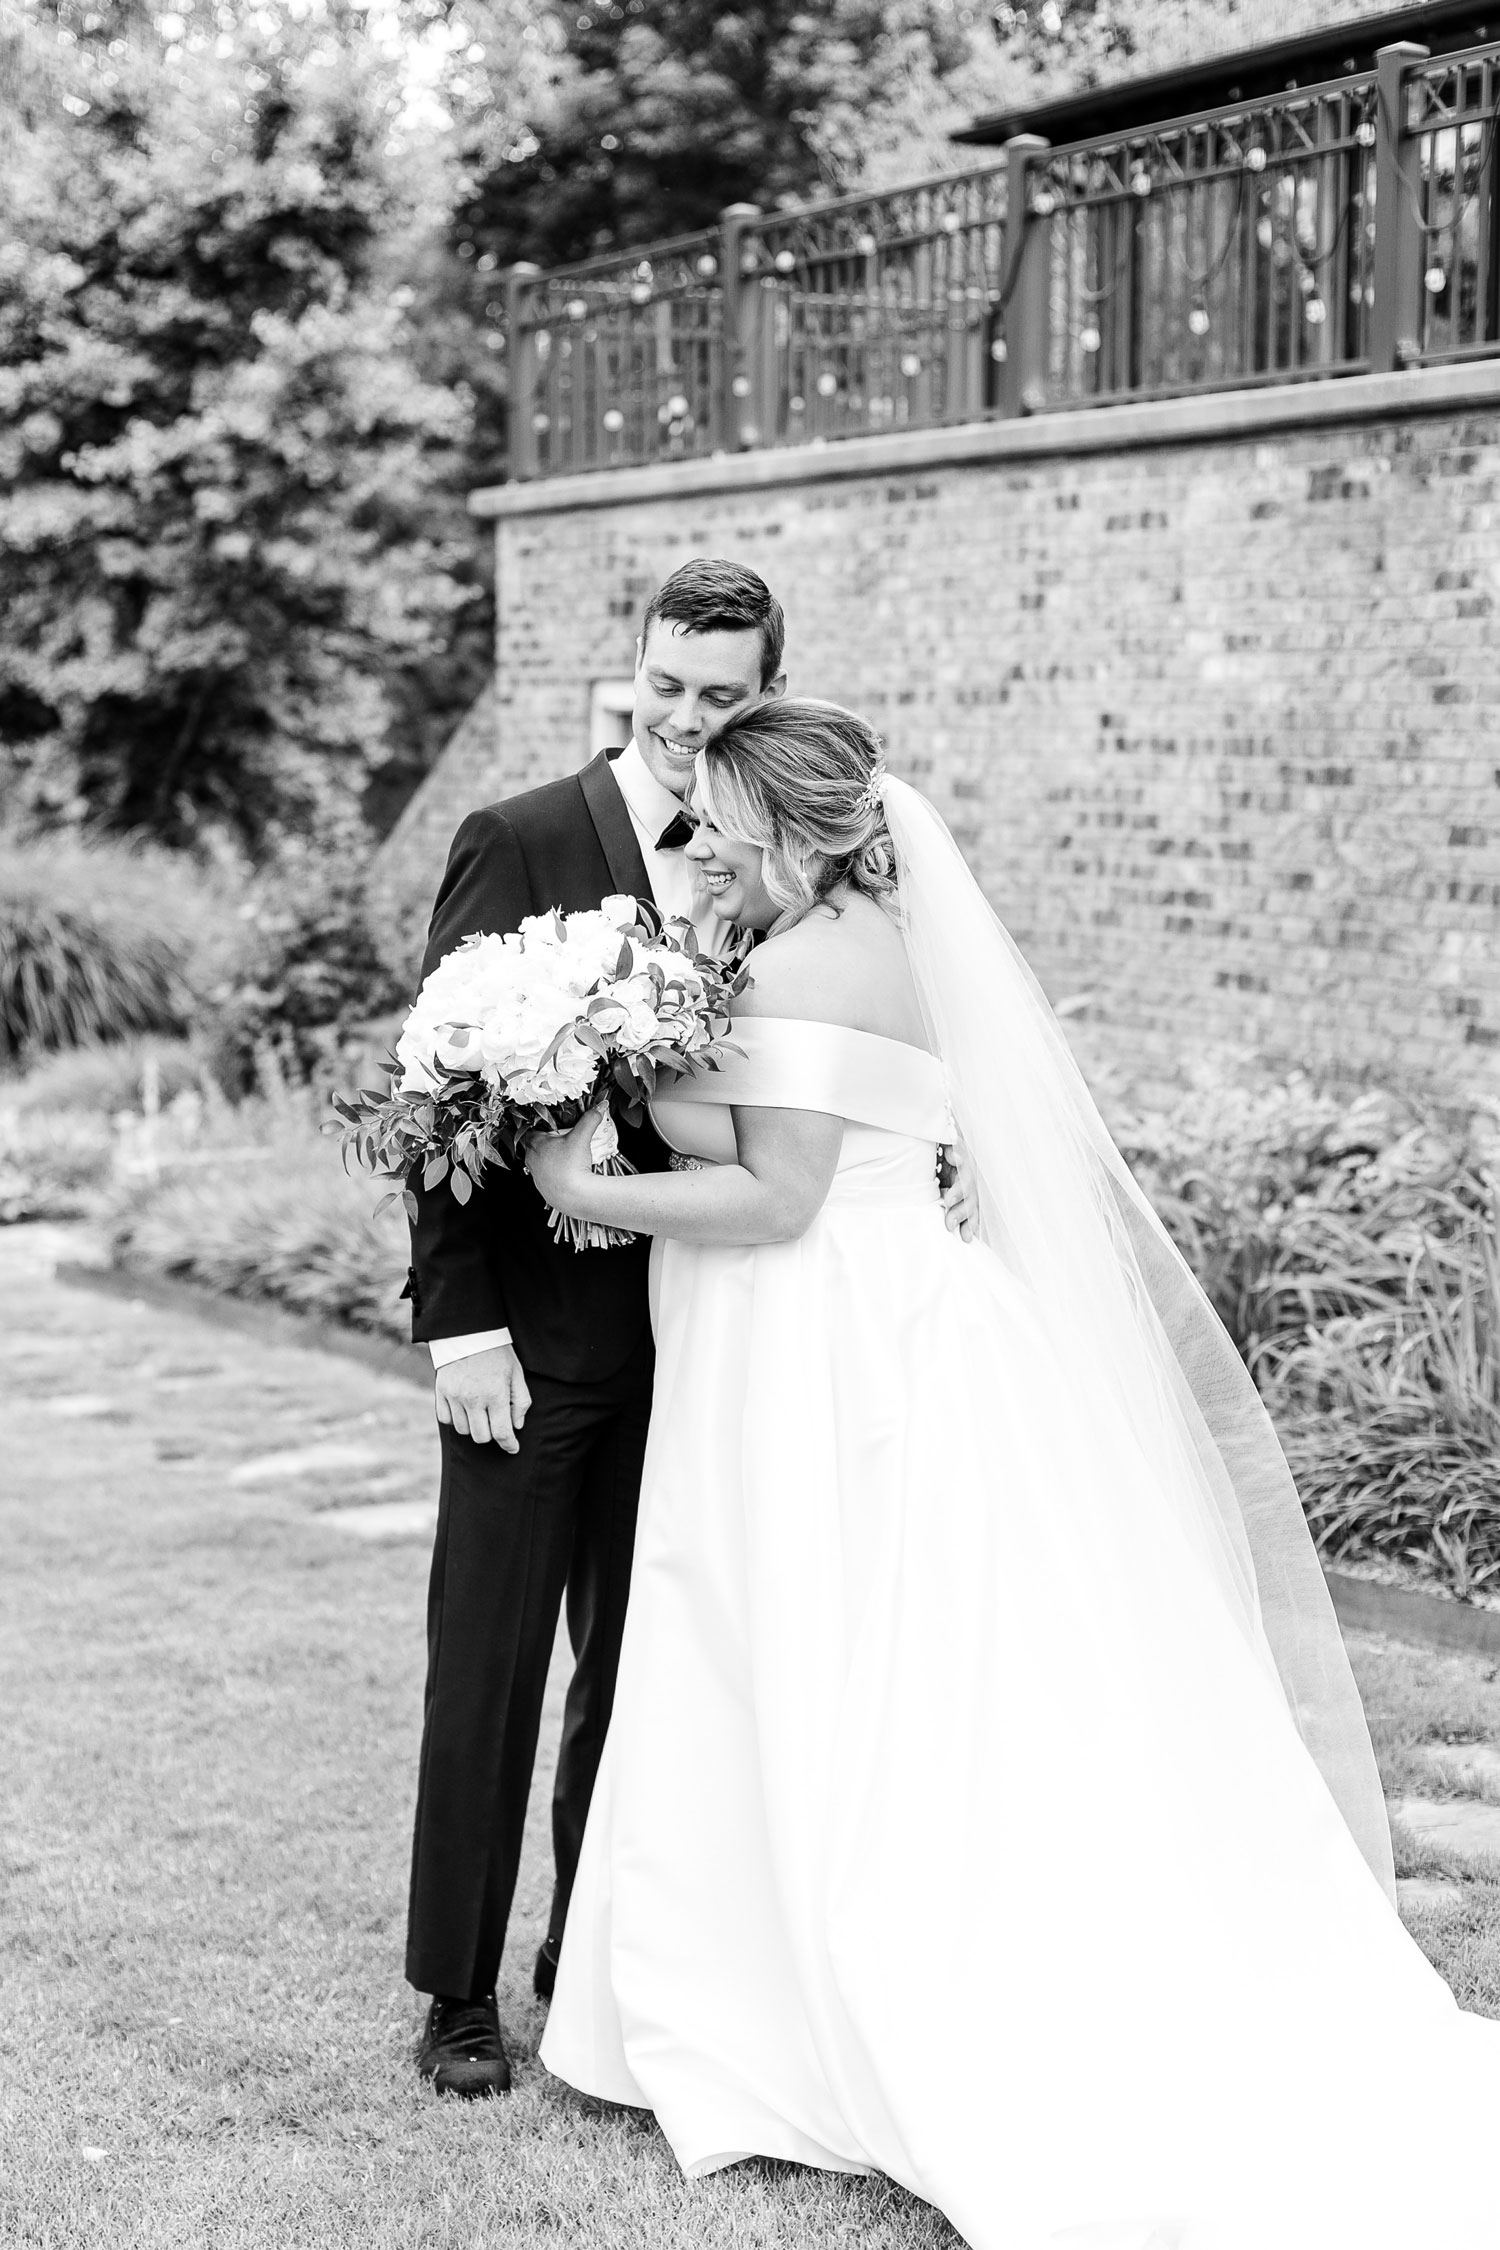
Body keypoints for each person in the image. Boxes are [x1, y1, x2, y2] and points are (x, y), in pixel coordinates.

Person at [527, 699, 1500, 2249]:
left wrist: (586, 1171)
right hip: (910, 1324)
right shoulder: (898, 951)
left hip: (820, 1349)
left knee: (819, 1655)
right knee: (952, 1666)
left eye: (719, 819)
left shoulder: (787, 966)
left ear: (787, 828)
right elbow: (828, 1134)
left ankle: (803, 1997)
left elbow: (776, 1195)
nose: (698, 844)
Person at [401, 562, 972, 2097]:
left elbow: (805, 1099)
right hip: (538, 1340)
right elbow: (437, 1089)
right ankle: (457, 1988)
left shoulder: (770, 871)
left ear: (765, 693)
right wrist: (461, 1329)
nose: (682, 717)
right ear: (633, 666)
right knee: (490, 1663)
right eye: (665, 686)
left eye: (720, 696)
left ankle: (592, 1948)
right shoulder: (517, 836)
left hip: (718, 1345)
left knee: (649, 1668)